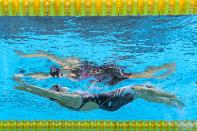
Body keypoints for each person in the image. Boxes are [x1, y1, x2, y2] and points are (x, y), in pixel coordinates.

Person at [13, 75, 184, 111]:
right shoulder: (67, 98)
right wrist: (25, 84)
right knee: (140, 88)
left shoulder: (68, 101)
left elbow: (47, 94)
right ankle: (172, 97)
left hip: (109, 105)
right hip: (110, 99)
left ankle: (173, 103)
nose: (63, 87)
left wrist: (25, 88)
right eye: (59, 87)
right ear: (57, 92)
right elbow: (44, 92)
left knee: (142, 93)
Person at [15, 50, 176, 86]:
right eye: (56, 75)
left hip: (107, 69)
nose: (59, 75)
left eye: (57, 72)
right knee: (112, 85)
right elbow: (43, 75)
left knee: (132, 76)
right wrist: (25, 76)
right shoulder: (64, 75)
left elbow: (45, 54)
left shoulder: (67, 64)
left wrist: (25, 56)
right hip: (101, 77)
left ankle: (165, 66)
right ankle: (154, 71)